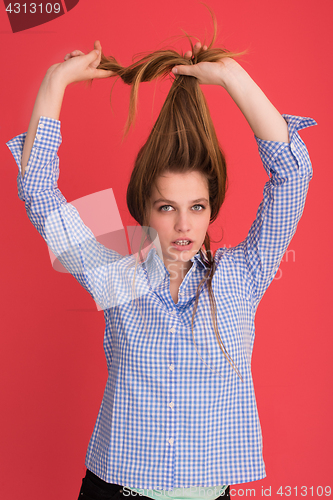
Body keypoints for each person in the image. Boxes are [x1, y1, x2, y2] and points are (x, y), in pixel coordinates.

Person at [6, 21, 316, 500]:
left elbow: (292, 177)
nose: (183, 225)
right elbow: (39, 192)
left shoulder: (241, 274)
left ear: (212, 210)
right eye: (166, 207)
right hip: (116, 489)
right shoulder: (116, 267)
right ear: (145, 212)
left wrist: (231, 77)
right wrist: (55, 82)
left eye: (197, 207)